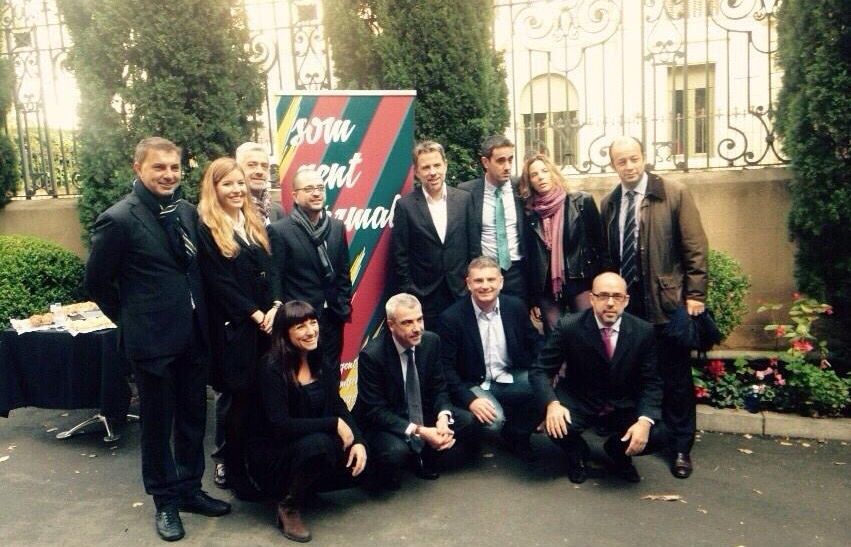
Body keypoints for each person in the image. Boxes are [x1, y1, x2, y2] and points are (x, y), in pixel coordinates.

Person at [85, 137, 230, 542]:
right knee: (157, 425)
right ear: (138, 169)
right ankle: (164, 501)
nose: (168, 174)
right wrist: (132, 322)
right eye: (159, 168)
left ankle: (189, 489)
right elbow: (96, 282)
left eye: (174, 167)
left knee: (192, 420)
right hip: (151, 346)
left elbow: (191, 272)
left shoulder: (185, 211)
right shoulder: (119, 219)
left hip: (193, 339)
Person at [600, 136, 709, 479]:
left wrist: (696, 295)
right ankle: (642, 437)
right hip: (629, 310)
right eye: (622, 161)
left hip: (666, 304)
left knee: (676, 379)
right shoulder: (610, 203)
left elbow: (695, 248)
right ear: (614, 165)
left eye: (634, 159)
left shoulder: (673, 193)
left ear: (644, 158)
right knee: (637, 377)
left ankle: (680, 447)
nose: (629, 166)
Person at [245, 301, 367, 543]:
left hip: (308, 441)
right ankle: (288, 505)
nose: (311, 331)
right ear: (284, 333)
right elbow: (279, 425)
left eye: (313, 322)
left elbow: (338, 405)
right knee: (320, 444)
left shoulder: (321, 360)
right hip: (273, 454)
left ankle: (307, 485)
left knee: (366, 456)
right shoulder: (271, 368)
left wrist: (359, 441)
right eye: (300, 326)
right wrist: (333, 424)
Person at [196, 157, 282, 496]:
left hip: (266, 326)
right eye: (228, 184)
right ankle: (232, 470)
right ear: (214, 187)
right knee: (237, 401)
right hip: (236, 330)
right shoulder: (207, 226)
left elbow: (272, 268)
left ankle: (254, 464)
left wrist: (275, 305)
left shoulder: (252, 219)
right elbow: (218, 282)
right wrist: (254, 313)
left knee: (261, 399)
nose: (236, 189)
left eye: (239, 183)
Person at [530, 272, 665, 484]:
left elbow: (652, 381)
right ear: (592, 299)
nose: (610, 303)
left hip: (622, 404)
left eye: (617, 296)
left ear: (626, 301)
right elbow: (540, 371)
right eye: (603, 296)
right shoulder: (569, 326)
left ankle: (619, 452)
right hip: (580, 399)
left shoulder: (643, 331)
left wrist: (644, 422)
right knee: (554, 424)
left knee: (660, 433)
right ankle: (577, 453)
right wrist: (552, 404)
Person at [354, 293, 479, 490]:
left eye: (420, 319)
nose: (417, 328)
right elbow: (375, 411)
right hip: (388, 420)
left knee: (468, 421)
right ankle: (399, 461)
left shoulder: (431, 342)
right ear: (391, 325)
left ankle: (423, 454)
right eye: (407, 322)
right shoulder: (372, 355)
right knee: (395, 452)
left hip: (421, 410)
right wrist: (420, 431)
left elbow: (439, 387)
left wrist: (442, 418)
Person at [435, 256, 540, 461]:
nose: (485, 286)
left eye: (491, 280)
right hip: (475, 383)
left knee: (546, 388)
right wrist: (470, 400)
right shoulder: (451, 318)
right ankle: (485, 432)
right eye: (478, 281)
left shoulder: (515, 307)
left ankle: (517, 433)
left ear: (501, 282)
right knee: (494, 422)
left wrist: (544, 371)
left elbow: (535, 342)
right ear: (468, 283)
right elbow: (445, 368)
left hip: (509, 376)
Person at [268, 167, 353, 385]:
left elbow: (343, 272)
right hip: (301, 321)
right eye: (309, 189)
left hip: (333, 318)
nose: (316, 193)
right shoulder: (280, 230)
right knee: (303, 378)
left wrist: (343, 306)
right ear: (295, 196)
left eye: (320, 188)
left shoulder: (336, 227)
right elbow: (276, 277)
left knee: (332, 377)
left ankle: (333, 418)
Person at [391, 140, 477, 328]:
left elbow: (474, 248)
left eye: (437, 165)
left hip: (460, 292)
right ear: (417, 171)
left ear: (445, 165)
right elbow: (400, 255)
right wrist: (410, 292)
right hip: (424, 297)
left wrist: (471, 286)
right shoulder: (405, 206)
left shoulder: (464, 200)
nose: (432, 172)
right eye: (426, 167)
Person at [520, 153, 606, 331]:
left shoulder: (581, 202)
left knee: (587, 333)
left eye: (544, 171)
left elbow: (600, 245)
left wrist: (600, 283)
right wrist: (533, 297)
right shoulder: (529, 213)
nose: (540, 177)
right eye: (534, 174)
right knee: (554, 338)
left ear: (553, 173)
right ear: (530, 181)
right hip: (546, 287)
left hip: (580, 279)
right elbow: (530, 257)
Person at [459, 135, 528, 301]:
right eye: (501, 161)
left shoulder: (521, 188)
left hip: (518, 271)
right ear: (485, 162)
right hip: (484, 273)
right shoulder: (467, 192)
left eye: (510, 160)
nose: (507, 167)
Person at [236, 141, 285, 225]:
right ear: (237, 169)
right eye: (252, 165)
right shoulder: (230, 209)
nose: (260, 171)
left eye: (264, 166)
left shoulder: (277, 210)